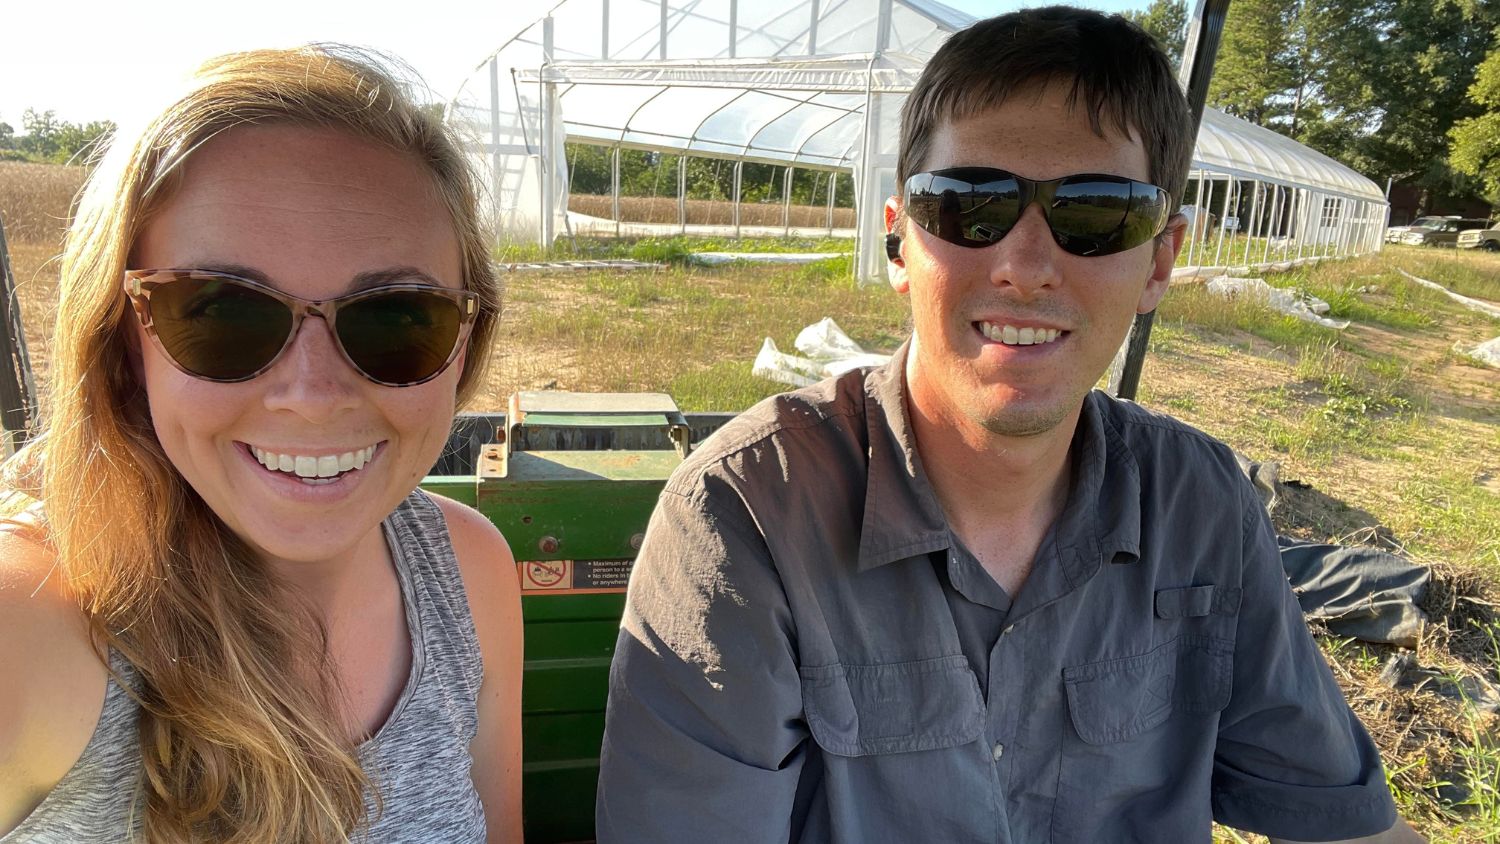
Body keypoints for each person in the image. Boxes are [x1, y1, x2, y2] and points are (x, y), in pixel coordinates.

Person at [596, 8, 1422, 843]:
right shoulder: (748, 516)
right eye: (969, 205)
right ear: (898, 244)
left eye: (1097, 215)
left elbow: (1341, 821)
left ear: (1160, 262)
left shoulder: (1202, 507)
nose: (1024, 268)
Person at [0, 47, 523, 843]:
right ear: (121, 344)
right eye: (220, 311)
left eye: (397, 317)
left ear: (465, 342)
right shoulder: (33, 624)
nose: (312, 397)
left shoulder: (469, 572)